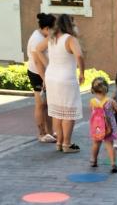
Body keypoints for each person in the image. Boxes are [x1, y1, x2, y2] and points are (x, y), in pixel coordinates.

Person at [33, 14, 84, 153]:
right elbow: (79, 55)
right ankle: (67, 144)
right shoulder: (70, 39)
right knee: (68, 112)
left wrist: (48, 65)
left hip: (52, 78)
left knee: (57, 112)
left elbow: (37, 49)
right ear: (70, 25)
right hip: (66, 79)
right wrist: (82, 73)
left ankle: (59, 143)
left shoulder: (52, 38)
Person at [27, 13, 56, 143]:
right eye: (52, 28)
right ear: (46, 28)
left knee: (48, 104)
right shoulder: (36, 39)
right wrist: (44, 78)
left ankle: (50, 132)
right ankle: (42, 134)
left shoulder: (43, 36)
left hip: (45, 73)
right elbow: (37, 62)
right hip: (37, 74)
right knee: (40, 104)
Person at [89, 77, 117, 173]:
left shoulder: (92, 102)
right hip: (108, 127)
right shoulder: (110, 101)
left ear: (93, 90)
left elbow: (93, 114)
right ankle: (113, 163)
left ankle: (94, 160)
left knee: (96, 143)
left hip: (97, 127)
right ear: (106, 88)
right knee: (109, 145)